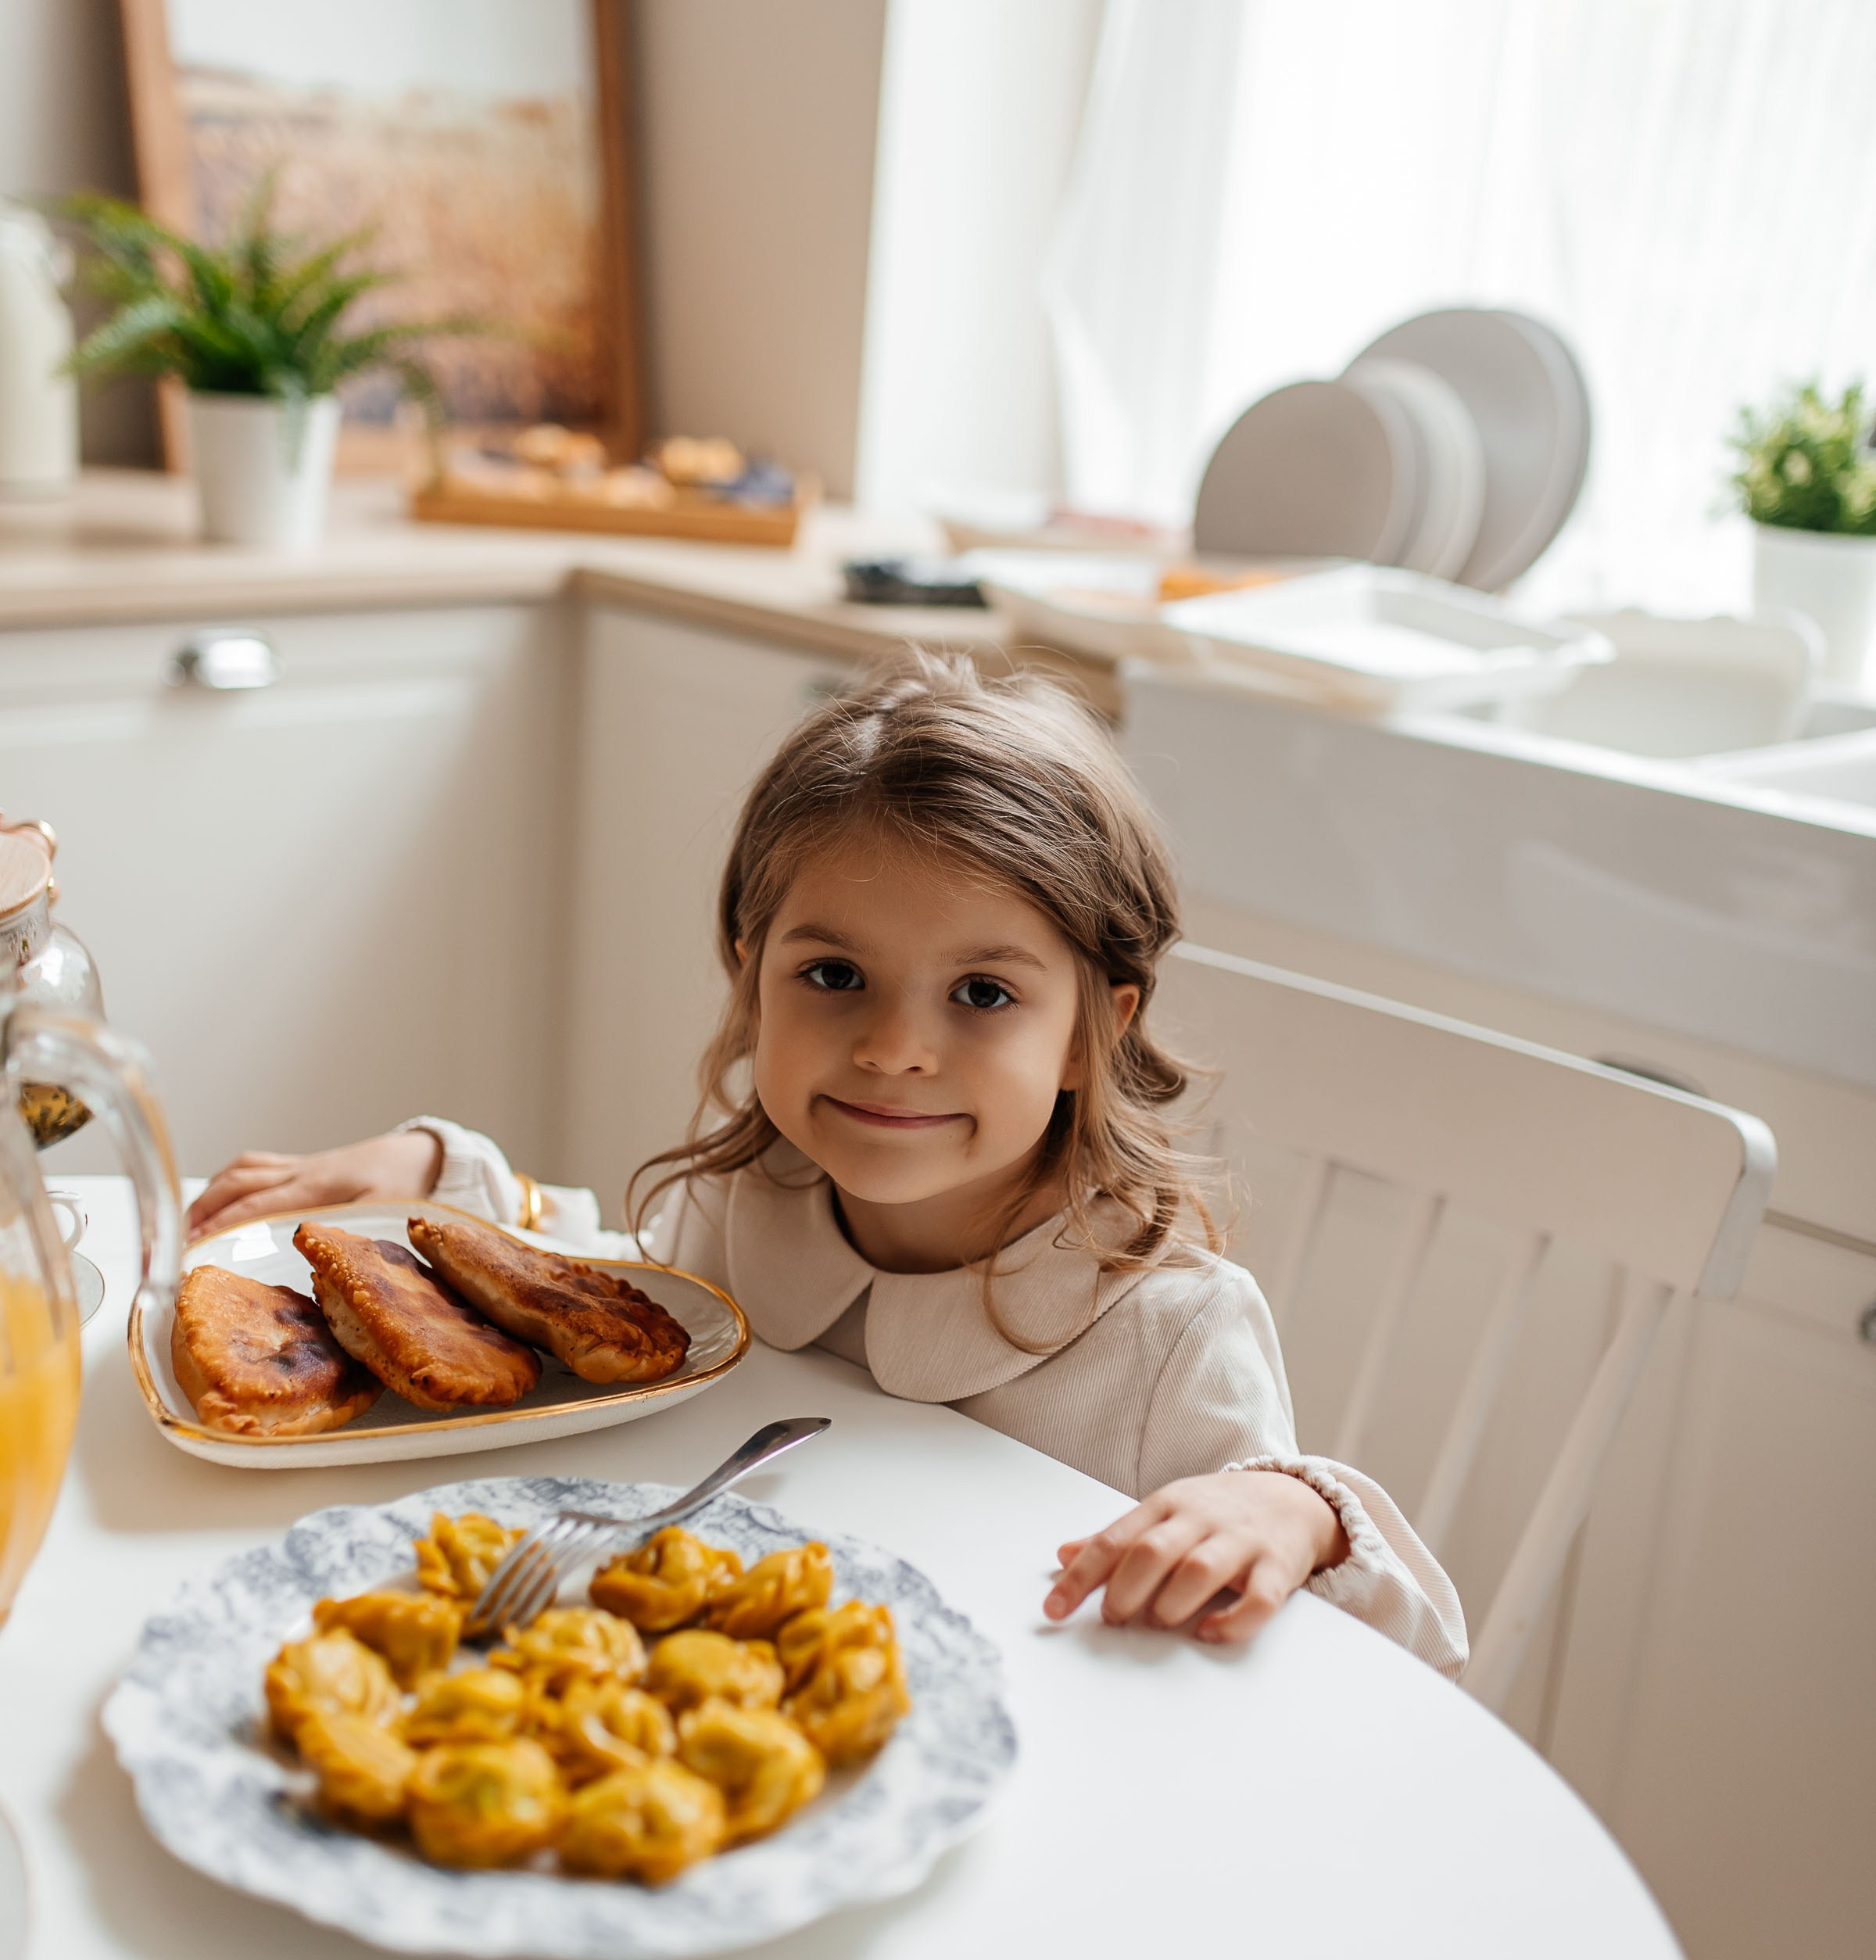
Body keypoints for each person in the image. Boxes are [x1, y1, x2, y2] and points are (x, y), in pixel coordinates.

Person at [189, 654, 1464, 1674]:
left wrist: (1292, 1514)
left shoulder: (1172, 1331)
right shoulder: (739, 1207)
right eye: (834, 976)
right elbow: (586, 1289)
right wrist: (437, 1162)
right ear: (752, 978)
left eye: (980, 991)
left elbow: (1386, 1658)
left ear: (1095, 1031)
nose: (895, 1048)